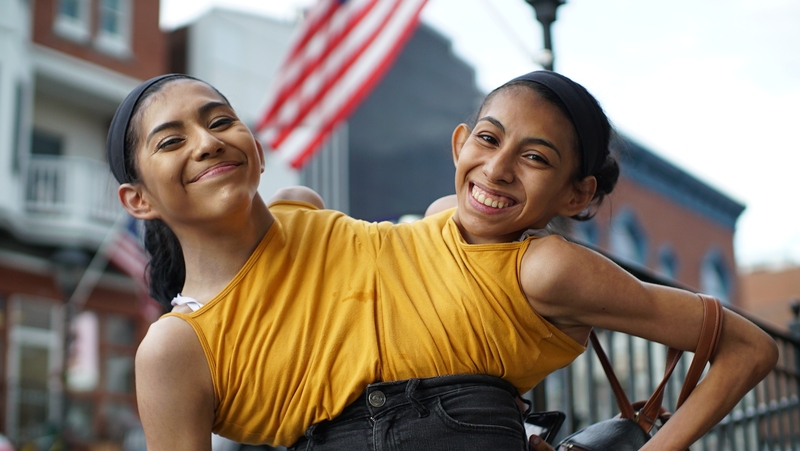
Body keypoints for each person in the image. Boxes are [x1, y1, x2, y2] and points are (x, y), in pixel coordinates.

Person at [109, 72, 777, 451]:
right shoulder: (175, 347)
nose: (206, 141)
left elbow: (749, 346)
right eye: (173, 139)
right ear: (136, 198)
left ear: (254, 148)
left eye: (220, 119)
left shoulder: (304, 211)